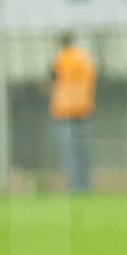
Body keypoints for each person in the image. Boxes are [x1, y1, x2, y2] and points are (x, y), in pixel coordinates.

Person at [47, 32, 96, 192]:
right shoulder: (83, 58)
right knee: (83, 152)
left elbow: (52, 80)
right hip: (82, 110)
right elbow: (91, 80)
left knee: (69, 152)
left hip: (64, 111)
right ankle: (85, 185)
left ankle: (74, 186)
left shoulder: (59, 59)